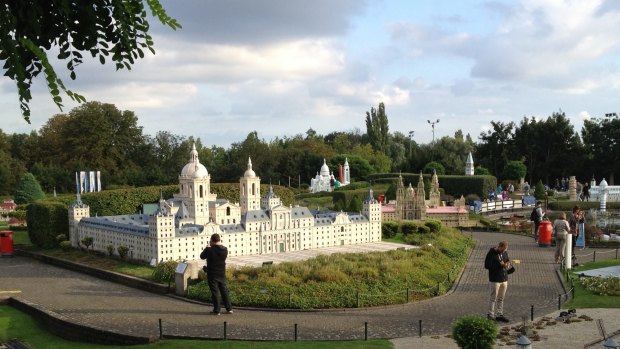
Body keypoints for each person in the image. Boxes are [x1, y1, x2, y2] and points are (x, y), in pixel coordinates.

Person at [200, 233, 233, 315]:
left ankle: (217, 310)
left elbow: (202, 256)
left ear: (211, 241)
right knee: (224, 291)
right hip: (221, 273)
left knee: (215, 292)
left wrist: (207, 247)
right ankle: (229, 309)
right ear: (219, 240)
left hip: (212, 274)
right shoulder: (225, 249)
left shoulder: (209, 249)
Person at [484, 241, 511, 323]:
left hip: (504, 279)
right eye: (503, 250)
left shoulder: (505, 252)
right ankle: (490, 315)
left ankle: (499, 315)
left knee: (501, 298)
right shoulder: (491, 253)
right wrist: (500, 265)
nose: (504, 251)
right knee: (493, 298)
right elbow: (487, 265)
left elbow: (507, 260)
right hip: (495, 279)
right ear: (499, 246)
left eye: (505, 250)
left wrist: (507, 264)